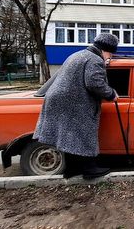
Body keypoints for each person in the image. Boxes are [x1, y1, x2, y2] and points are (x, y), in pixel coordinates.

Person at [33, 33, 119, 180]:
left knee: (69, 136)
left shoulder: (78, 55)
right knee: (83, 132)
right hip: (73, 102)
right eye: (110, 53)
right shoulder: (95, 59)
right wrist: (111, 94)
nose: (109, 57)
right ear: (105, 49)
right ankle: (89, 170)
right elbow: (94, 83)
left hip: (58, 100)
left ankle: (71, 169)